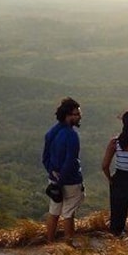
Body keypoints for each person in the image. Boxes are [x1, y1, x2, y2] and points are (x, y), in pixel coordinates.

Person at [41, 97, 84, 244]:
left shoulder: (51, 132)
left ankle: (50, 242)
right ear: (67, 116)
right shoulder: (72, 136)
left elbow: (45, 157)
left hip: (53, 178)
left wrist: (52, 172)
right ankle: (68, 244)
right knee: (68, 213)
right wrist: (61, 181)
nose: (79, 116)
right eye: (76, 114)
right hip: (70, 181)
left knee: (54, 212)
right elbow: (70, 161)